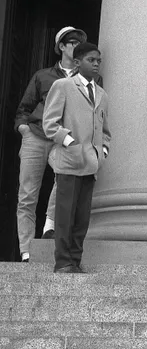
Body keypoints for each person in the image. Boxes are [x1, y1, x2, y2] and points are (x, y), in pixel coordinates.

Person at [13, 26, 86, 261]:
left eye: (79, 43)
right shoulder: (42, 75)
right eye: (72, 42)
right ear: (62, 47)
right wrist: (23, 129)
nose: (76, 46)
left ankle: (49, 225)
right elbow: (24, 108)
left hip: (62, 139)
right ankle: (26, 251)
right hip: (35, 135)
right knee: (27, 195)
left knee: (63, 179)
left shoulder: (85, 78)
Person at [40, 42, 110, 274]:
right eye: (92, 60)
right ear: (78, 62)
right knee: (65, 214)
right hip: (69, 161)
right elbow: (49, 123)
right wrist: (71, 143)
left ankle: (75, 260)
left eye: (99, 60)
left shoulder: (102, 94)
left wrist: (103, 151)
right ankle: (62, 261)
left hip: (91, 164)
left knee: (81, 217)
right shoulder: (63, 86)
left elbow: (105, 130)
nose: (97, 64)